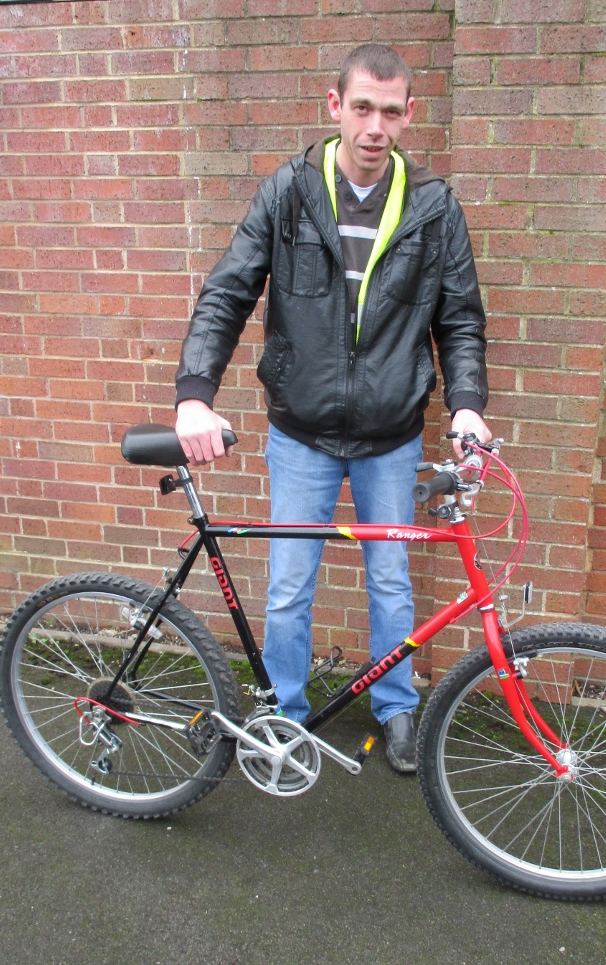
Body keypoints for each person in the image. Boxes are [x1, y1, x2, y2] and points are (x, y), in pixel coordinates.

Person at [175, 44, 491, 772]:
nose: (374, 127)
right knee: (289, 586)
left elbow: (459, 319)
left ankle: (396, 708)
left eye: (390, 112)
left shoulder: (434, 207)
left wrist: (467, 405)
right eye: (361, 108)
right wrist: (194, 395)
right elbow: (227, 293)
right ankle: (282, 717)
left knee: (391, 581)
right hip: (302, 432)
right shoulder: (288, 191)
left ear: (408, 115)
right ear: (334, 106)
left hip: (391, 434)